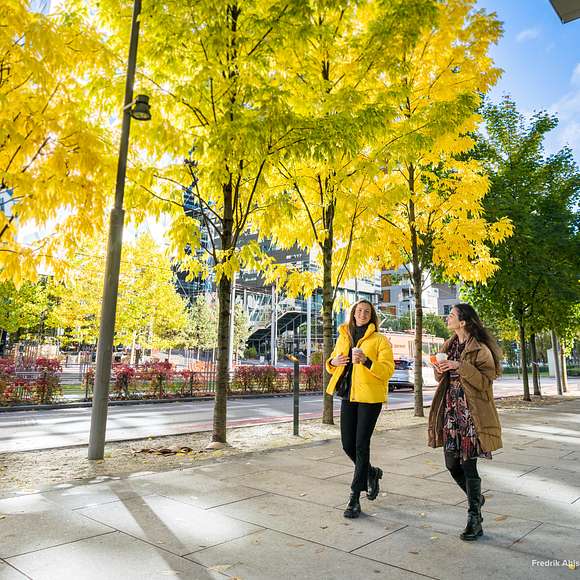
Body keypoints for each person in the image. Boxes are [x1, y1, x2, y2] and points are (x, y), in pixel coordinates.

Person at [428, 303, 503, 541]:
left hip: (471, 414)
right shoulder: (448, 345)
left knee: (469, 466)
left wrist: (461, 366)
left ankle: (475, 519)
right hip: (451, 412)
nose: (447, 318)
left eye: (451, 315)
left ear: (463, 322)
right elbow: (441, 377)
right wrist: (439, 368)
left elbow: (484, 382)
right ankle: (476, 498)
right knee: (451, 464)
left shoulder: (480, 349)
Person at [326, 300, 395, 519]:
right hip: (348, 394)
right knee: (348, 445)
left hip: (370, 398)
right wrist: (333, 361)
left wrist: (366, 361)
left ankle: (354, 498)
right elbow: (332, 362)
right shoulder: (344, 335)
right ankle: (371, 473)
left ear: (372, 315)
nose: (362, 314)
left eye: (367, 311)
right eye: (359, 311)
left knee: (361, 445)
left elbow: (387, 370)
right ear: (353, 314)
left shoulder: (380, 340)